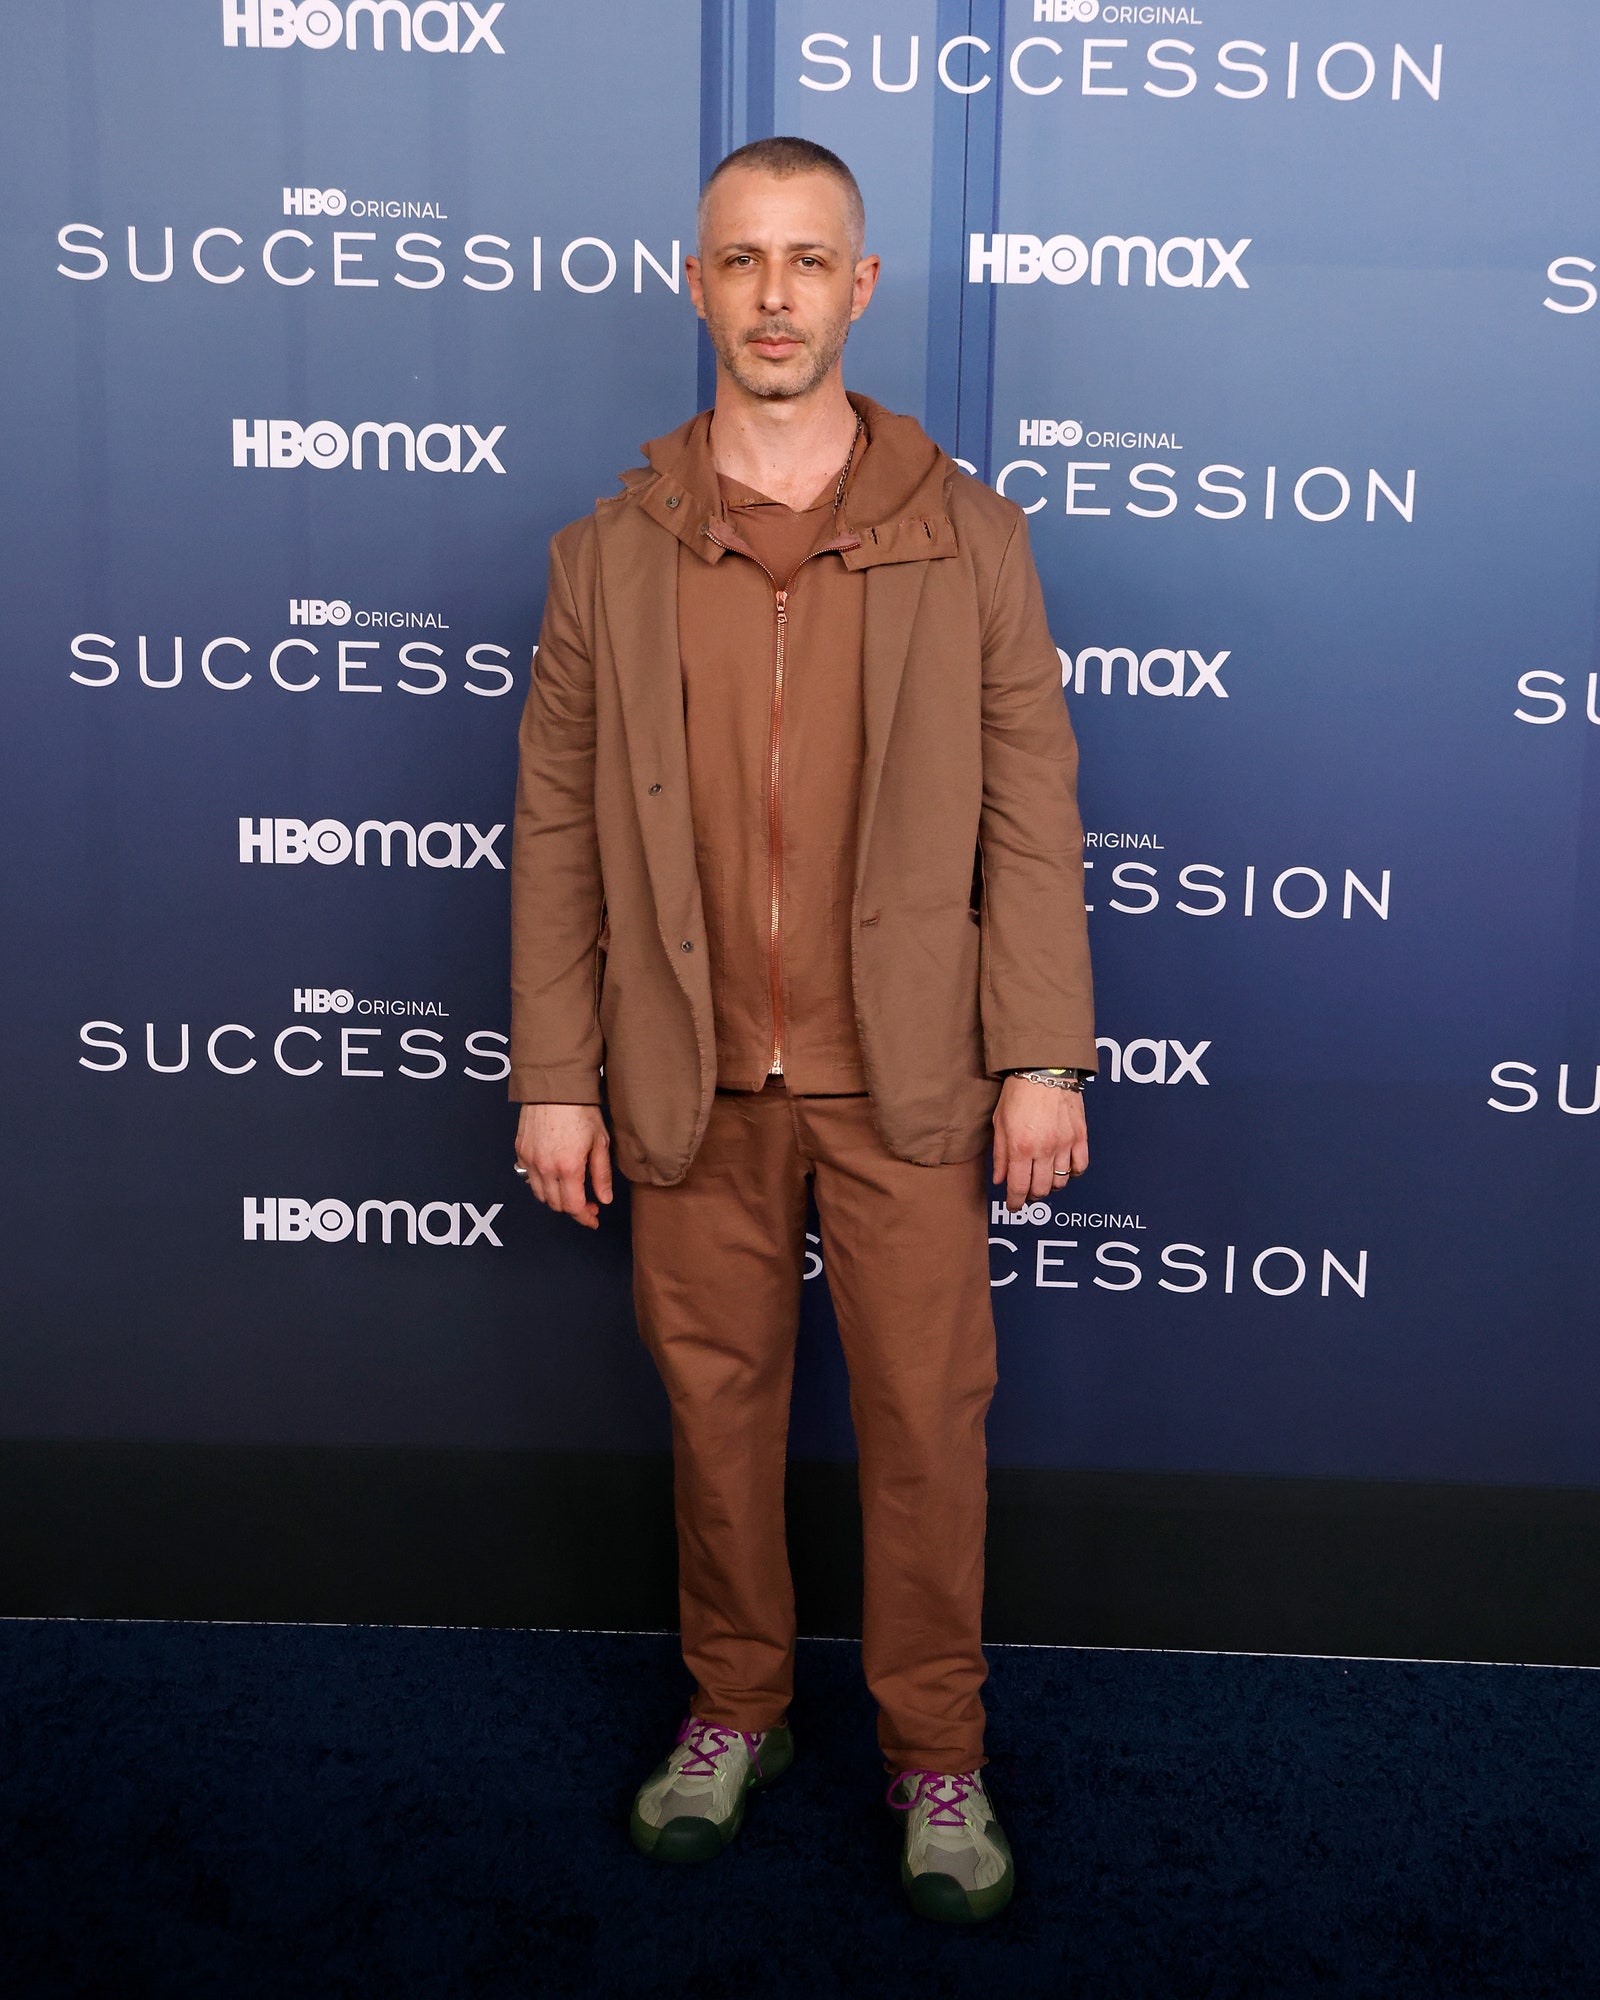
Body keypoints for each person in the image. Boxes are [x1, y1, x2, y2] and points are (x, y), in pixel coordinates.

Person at [508, 137, 1095, 1925]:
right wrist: (554, 1073)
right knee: (716, 1420)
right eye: (741, 260)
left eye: (807, 260)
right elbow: (552, 822)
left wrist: (1044, 1054)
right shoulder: (604, 554)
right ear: (697, 286)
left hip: (909, 1076)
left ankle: (937, 1748)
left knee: (928, 1427)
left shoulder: (971, 533)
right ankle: (734, 1711)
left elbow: (1030, 809)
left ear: (858, 289)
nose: (773, 294)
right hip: (688, 1078)